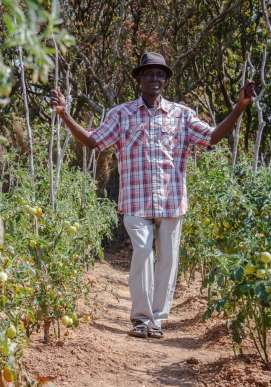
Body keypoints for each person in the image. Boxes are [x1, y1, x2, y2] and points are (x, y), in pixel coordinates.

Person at [50, 51, 255, 339]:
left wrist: (239, 108)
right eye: (149, 73)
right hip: (135, 201)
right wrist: (65, 115)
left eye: (160, 73)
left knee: (168, 261)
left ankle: (157, 320)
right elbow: (93, 141)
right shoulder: (121, 114)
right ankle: (141, 319)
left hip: (171, 202)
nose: (155, 78)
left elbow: (211, 137)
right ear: (139, 79)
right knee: (144, 252)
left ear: (166, 80)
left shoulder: (182, 115)